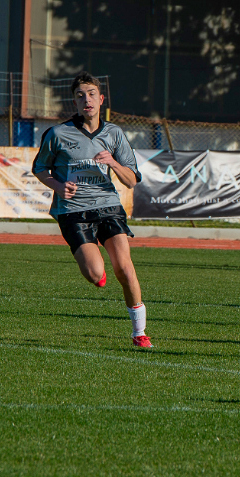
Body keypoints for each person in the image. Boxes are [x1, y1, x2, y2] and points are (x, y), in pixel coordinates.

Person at [33, 71, 153, 348]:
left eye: (91, 94)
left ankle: (139, 333)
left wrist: (113, 162)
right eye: (80, 96)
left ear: (101, 99)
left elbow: (131, 180)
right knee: (95, 274)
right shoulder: (57, 134)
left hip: (108, 206)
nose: (86, 100)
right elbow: (39, 168)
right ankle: (97, 269)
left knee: (125, 269)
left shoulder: (114, 133)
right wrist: (58, 186)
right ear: (74, 102)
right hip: (73, 211)